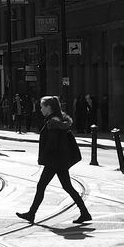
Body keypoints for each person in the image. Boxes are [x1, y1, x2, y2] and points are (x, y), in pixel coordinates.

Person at [17, 95, 91, 225]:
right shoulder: (58, 120)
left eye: (42, 107)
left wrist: (43, 158)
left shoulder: (53, 123)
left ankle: (31, 214)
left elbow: (52, 143)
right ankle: (84, 213)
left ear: (49, 107)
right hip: (59, 160)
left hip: (54, 160)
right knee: (67, 187)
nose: (40, 109)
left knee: (42, 186)